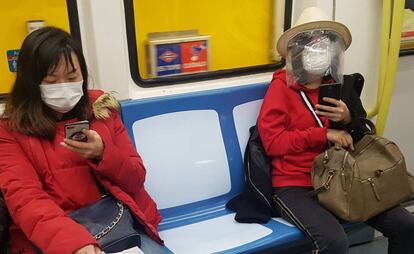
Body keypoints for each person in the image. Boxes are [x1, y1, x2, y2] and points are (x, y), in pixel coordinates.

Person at [258, 7, 414, 254]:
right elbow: (273, 142)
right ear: (297, 51)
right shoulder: (280, 89)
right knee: (334, 241)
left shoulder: (340, 86)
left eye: (326, 45)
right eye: (312, 44)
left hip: (342, 178)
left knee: (406, 225)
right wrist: (324, 134)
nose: (320, 51)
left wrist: (348, 118)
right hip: (296, 184)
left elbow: (363, 136)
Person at [0, 27, 165, 254]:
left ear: (83, 74)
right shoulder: (9, 131)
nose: (63, 87)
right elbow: (26, 199)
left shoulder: (102, 109)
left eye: (71, 77)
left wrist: (103, 154)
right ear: (31, 83)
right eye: (51, 81)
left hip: (119, 224)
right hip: (52, 236)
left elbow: (136, 178)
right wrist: (74, 242)